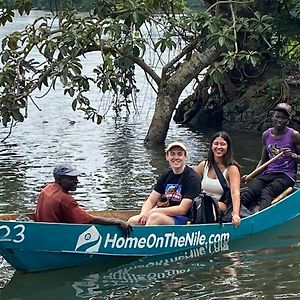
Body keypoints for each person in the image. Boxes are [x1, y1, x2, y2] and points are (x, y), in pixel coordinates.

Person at [34, 163, 132, 236]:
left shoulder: (46, 189)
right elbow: (89, 220)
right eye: (71, 178)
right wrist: (117, 221)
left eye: (76, 178)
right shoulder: (64, 199)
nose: (76, 181)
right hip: (57, 235)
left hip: (44, 231)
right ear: (59, 179)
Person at [241, 102, 300, 211]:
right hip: (268, 173)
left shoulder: (294, 135)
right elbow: (264, 160)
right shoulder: (266, 135)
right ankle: (236, 216)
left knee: (267, 192)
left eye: (283, 118)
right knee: (249, 191)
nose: (279, 120)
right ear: (272, 117)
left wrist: (292, 155)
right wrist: (251, 176)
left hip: (286, 175)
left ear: (288, 120)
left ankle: (261, 219)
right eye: (277, 116)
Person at [127, 142, 201, 225]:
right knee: (132, 221)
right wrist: (143, 215)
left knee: (155, 218)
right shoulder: (166, 175)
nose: (176, 157)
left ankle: (148, 236)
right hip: (165, 214)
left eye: (179, 154)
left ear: (185, 157)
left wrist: (154, 211)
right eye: (172, 154)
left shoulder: (192, 177)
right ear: (167, 157)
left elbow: (182, 209)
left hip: (184, 218)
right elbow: (151, 201)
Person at [194, 131, 241, 227]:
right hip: (203, 201)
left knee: (207, 205)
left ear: (227, 147)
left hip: (222, 204)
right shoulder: (203, 165)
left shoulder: (232, 169)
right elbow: (191, 181)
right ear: (211, 146)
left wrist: (235, 214)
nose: (219, 147)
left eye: (222, 144)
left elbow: (235, 192)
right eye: (216, 144)